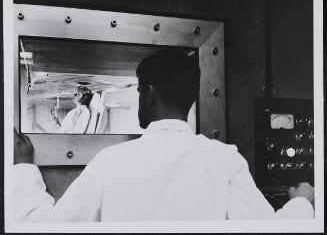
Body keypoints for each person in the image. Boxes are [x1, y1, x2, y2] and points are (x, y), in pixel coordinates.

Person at [14, 50, 314, 222]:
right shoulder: (225, 160)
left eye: (139, 90)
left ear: (150, 94)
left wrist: (24, 168)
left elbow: (42, 227)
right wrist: (302, 201)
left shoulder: (110, 162)